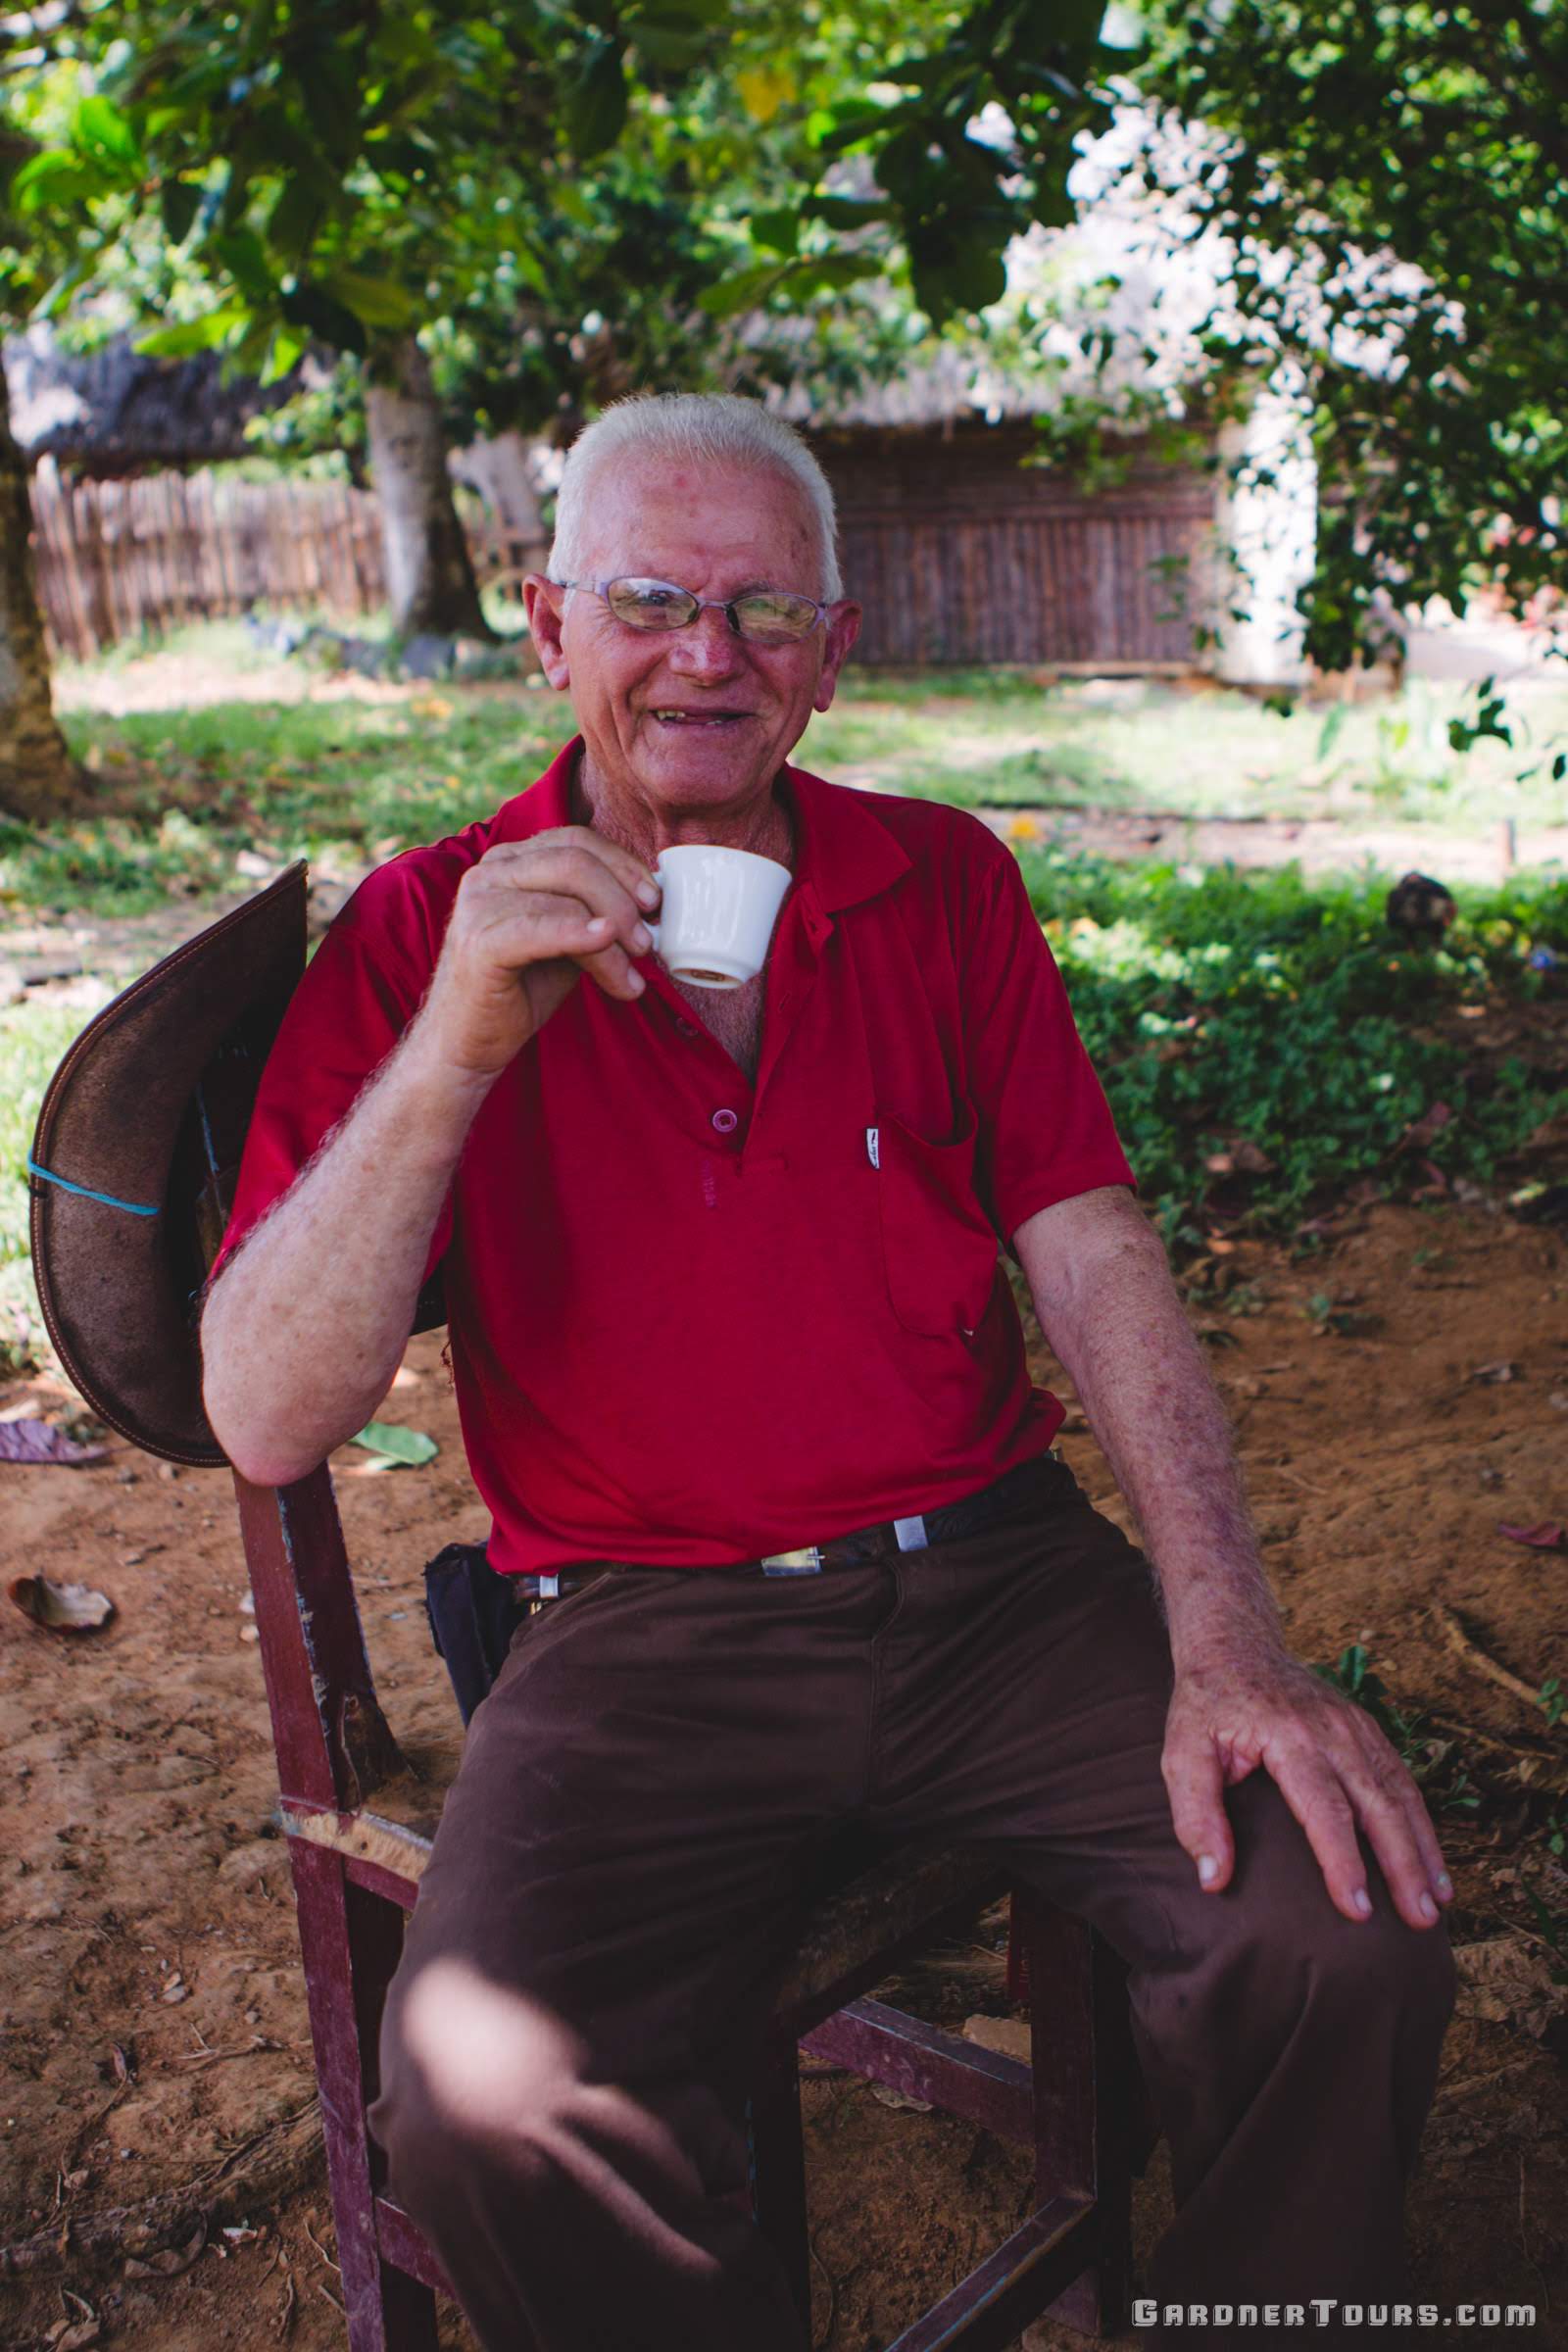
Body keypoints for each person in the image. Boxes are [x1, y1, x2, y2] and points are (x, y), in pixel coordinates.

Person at [200, 392, 1455, 2350]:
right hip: (637, 1633)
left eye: (762, 610)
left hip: (1003, 1586)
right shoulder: (416, 937)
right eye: (646, 600)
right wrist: (453, 1044)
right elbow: (267, 1413)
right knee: (483, 2109)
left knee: (1335, 1929)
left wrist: (1226, 1637)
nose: (705, 655)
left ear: (830, 654)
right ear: (547, 630)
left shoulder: (937, 882)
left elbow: (1090, 1243)